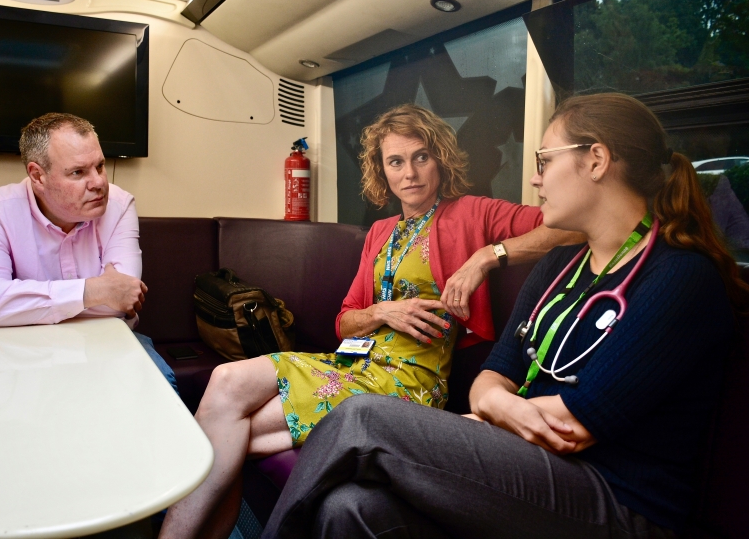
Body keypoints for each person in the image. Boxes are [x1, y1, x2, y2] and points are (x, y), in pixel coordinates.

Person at [259, 93, 749, 539]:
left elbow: (575, 427)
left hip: (617, 500)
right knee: (349, 508)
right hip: (531, 460)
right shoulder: (560, 267)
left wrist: (493, 412)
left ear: (596, 160)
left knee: (362, 418)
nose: (535, 177)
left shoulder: (681, 277)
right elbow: (492, 377)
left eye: (544, 160)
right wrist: (492, 406)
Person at [159, 104, 580, 539]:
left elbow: (571, 226)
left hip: (408, 381)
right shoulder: (380, 232)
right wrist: (383, 311)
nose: (410, 173)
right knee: (227, 388)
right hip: (354, 364)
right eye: (396, 162)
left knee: (228, 433)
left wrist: (487, 257)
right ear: (383, 171)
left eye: (421, 157)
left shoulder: (472, 213)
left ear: (439, 159)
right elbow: (344, 322)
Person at [0, 112, 177, 391]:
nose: (98, 182)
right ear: (38, 176)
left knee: (159, 388)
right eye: (78, 172)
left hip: (108, 343)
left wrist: (11, 302)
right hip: (23, 349)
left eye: (100, 166)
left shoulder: (120, 205)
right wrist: (92, 291)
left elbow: (119, 304)